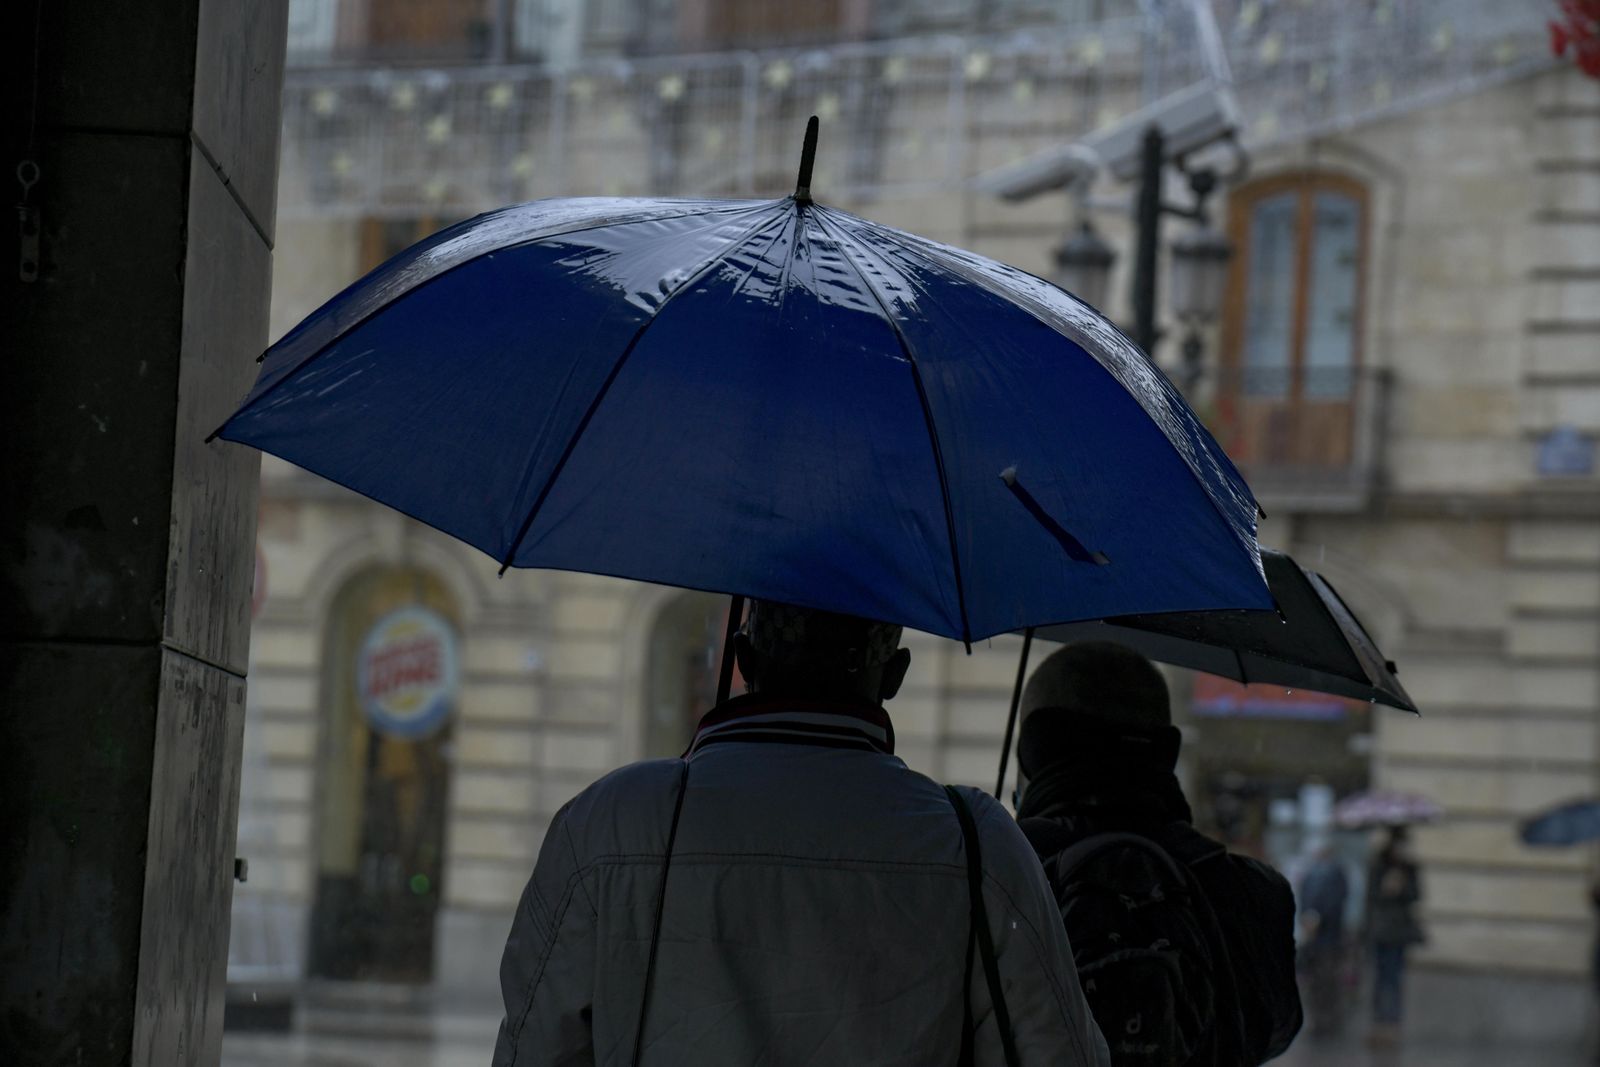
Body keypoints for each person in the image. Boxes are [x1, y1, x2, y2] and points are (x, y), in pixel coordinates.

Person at [493, 600, 1110, 1066]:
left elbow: (534, 1049)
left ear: (742, 661)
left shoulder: (610, 823)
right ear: (894, 675)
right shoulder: (979, 847)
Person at [1010, 642, 1302, 1065]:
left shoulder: (986, 878)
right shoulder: (1257, 894)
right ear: (1165, 747)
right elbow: (1274, 1031)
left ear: (1035, 747)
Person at [1364, 826, 1424, 1047]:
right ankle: (1378, 1023)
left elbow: (1417, 895)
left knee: (1394, 979)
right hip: (1381, 931)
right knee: (1380, 979)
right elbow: (1370, 897)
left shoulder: (1409, 869)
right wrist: (1386, 888)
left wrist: (1403, 886)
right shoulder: (1378, 866)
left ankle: (1393, 1024)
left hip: (1398, 932)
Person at [1295, 837, 1350, 1040]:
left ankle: (1329, 1018)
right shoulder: (1311, 874)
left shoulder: (1337, 874)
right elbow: (1303, 899)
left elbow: (1337, 903)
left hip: (1329, 938)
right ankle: (1318, 1018)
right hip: (1313, 939)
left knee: (1328, 980)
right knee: (1314, 981)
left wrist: (1318, 918)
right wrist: (1306, 918)